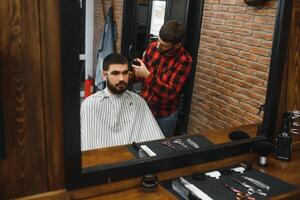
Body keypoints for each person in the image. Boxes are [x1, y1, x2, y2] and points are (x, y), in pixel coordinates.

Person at [80, 53, 164, 151]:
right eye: (115, 73)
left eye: (125, 73)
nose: (121, 79)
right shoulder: (90, 105)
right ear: (104, 75)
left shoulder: (137, 101)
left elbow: (155, 141)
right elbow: (87, 147)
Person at [132, 20, 192, 137]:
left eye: (164, 45)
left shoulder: (184, 60)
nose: (158, 46)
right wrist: (130, 74)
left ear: (177, 45)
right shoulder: (152, 48)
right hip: (144, 109)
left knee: (161, 149)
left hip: (165, 115)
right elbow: (141, 76)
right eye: (158, 40)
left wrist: (147, 75)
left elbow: (170, 92)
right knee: (139, 143)